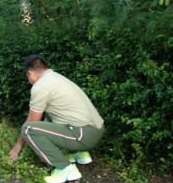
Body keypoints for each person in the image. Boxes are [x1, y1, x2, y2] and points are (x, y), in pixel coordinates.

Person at [9, 55, 105, 183]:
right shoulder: (56, 78)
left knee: (27, 129)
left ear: (30, 73)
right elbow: (47, 120)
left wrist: (18, 145)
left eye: (27, 77)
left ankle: (65, 169)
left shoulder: (40, 86)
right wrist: (41, 139)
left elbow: (32, 121)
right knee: (50, 114)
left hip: (84, 134)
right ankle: (79, 153)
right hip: (95, 130)